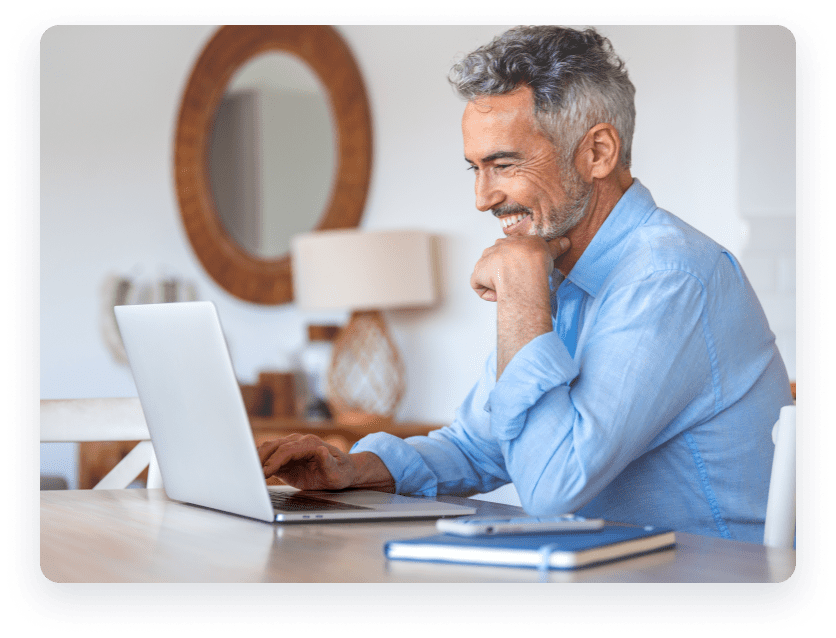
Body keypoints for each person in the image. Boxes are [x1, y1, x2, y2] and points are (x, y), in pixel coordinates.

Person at [258, 26, 793, 543]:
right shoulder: (554, 267)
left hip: (713, 585)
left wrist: (521, 304)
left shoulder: (669, 277)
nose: (482, 198)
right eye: (474, 167)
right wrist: (351, 469)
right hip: (611, 572)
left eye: (503, 164)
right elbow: (482, 444)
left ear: (598, 153)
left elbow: (552, 487)